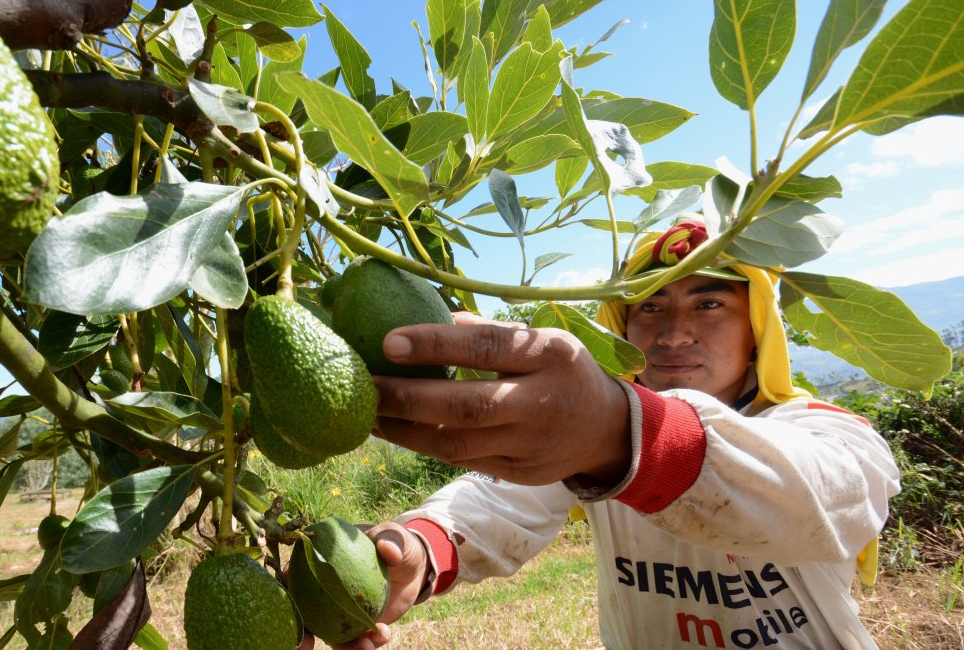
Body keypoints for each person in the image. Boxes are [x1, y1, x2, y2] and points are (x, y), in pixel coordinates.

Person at [329, 219, 900, 650]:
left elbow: (830, 496)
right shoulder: (592, 447)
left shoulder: (825, 429)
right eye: (649, 307)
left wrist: (623, 434)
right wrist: (424, 545)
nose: (675, 333)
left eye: (709, 303)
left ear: (756, 329)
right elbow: (502, 498)